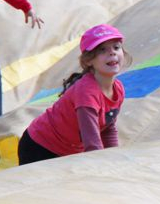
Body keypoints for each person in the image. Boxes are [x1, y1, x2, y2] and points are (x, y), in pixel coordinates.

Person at [18, 24, 130, 165]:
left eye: (116, 47)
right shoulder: (87, 92)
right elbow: (92, 144)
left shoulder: (118, 89)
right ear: (88, 60)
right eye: (102, 50)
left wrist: (115, 158)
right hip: (39, 147)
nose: (112, 53)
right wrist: (104, 166)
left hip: (67, 151)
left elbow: (108, 129)